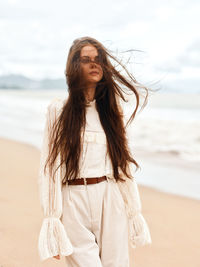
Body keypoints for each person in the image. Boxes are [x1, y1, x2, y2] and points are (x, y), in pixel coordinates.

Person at [37, 36, 152, 266]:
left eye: (98, 59)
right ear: (74, 67)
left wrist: (133, 210)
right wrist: (52, 221)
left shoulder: (111, 112)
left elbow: (123, 165)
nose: (94, 64)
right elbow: (50, 169)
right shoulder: (58, 110)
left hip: (110, 198)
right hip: (73, 200)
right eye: (86, 59)